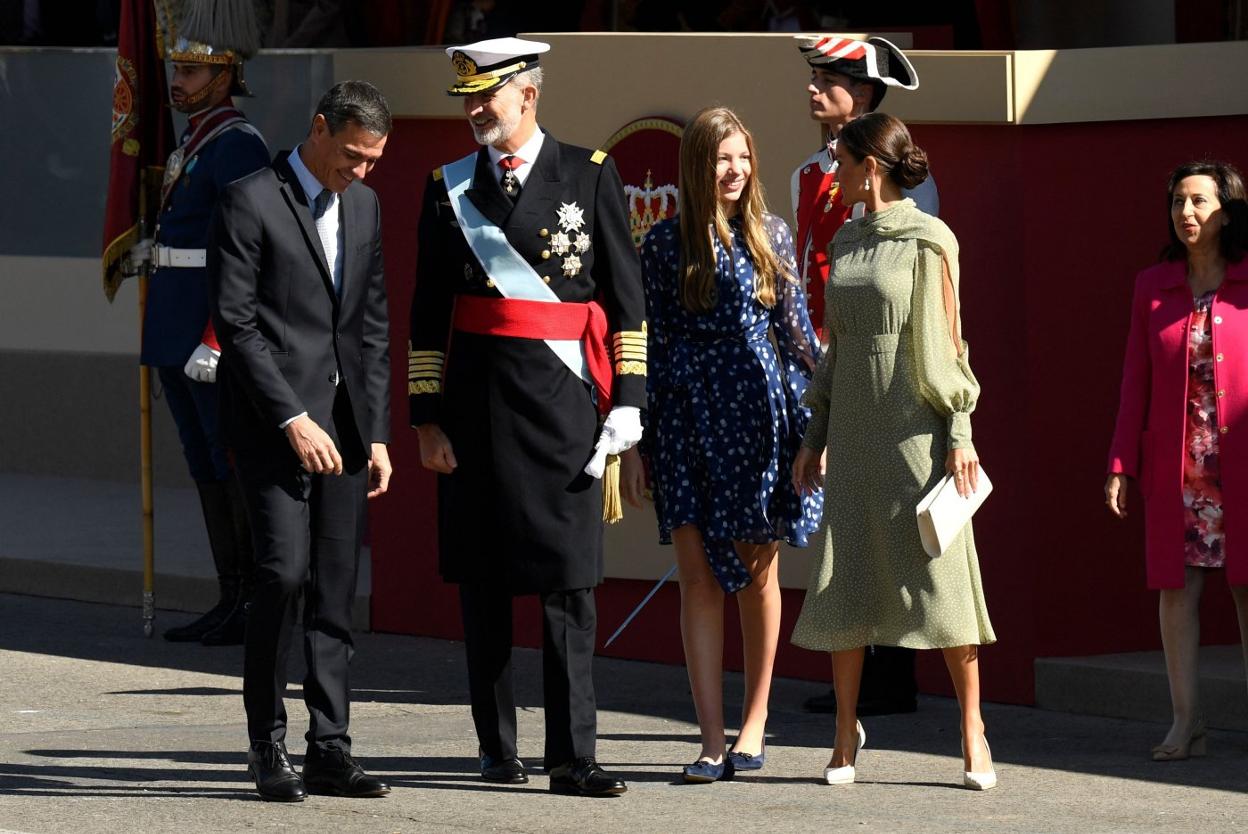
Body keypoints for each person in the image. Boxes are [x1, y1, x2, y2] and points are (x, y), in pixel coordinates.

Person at [409, 37, 646, 797]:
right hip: (476, 411)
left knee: (569, 587)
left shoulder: (590, 174)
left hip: (564, 410)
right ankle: (494, 746)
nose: (476, 111)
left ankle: (575, 756)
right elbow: (424, 315)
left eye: (488, 97)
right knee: (483, 583)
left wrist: (630, 403)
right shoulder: (445, 187)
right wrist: (426, 419)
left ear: (529, 95)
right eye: (468, 100)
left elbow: (626, 303)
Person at [791, 112, 997, 790]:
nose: (834, 172)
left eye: (841, 161)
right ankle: (845, 733)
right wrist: (815, 435)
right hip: (852, 431)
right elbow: (836, 346)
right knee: (845, 576)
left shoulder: (930, 239)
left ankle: (973, 731)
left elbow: (951, 340)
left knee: (938, 581)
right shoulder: (847, 239)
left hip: (914, 431)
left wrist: (959, 433)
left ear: (868, 166)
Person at [209, 81, 394, 802]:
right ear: (318, 128)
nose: (362, 172)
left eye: (374, 160)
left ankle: (331, 746)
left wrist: (375, 433)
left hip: (346, 429)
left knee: (336, 591)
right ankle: (267, 742)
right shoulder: (250, 198)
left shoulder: (369, 205)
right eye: (352, 155)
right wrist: (292, 417)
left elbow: (371, 324)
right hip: (272, 422)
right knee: (282, 574)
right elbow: (238, 324)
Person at [632, 107, 821, 783]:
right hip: (686, 418)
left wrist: (817, 427)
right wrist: (637, 440)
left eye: (743, 156)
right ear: (696, 167)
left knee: (756, 575)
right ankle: (710, 739)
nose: (735, 169)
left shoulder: (771, 233)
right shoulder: (660, 245)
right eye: (721, 158)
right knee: (697, 579)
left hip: (759, 417)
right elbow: (649, 349)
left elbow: (799, 337)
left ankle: (755, 719)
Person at [791, 34, 934, 717]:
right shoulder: (804, 173)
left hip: (891, 368)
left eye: (830, 80)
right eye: (815, 79)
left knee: (895, 515)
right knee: (846, 521)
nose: (815, 91)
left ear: (866, 94)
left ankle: (896, 674)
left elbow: (919, 282)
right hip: (829, 362)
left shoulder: (911, 174)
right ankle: (859, 666)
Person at [126, 0, 269, 646]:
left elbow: (250, 254)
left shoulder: (238, 146)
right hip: (174, 328)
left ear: (224, 74)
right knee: (204, 464)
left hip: (208, 335)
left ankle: (251, 602)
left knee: (228, 459)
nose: (177, 81)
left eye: (190, 70)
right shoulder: (196, 140)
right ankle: (229, 595)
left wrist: (219, 335)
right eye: (174, 68)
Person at [1106, 160, 1248, 761]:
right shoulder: (1151, 286)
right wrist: (1119, 463)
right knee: (1176, 590)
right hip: (1178, 467)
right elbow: (1133, 380)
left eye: (1198, 202)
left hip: (1239, 464)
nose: (1186, 213)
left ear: (1227, 209)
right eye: (1177, 203)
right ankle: (1185, 721)